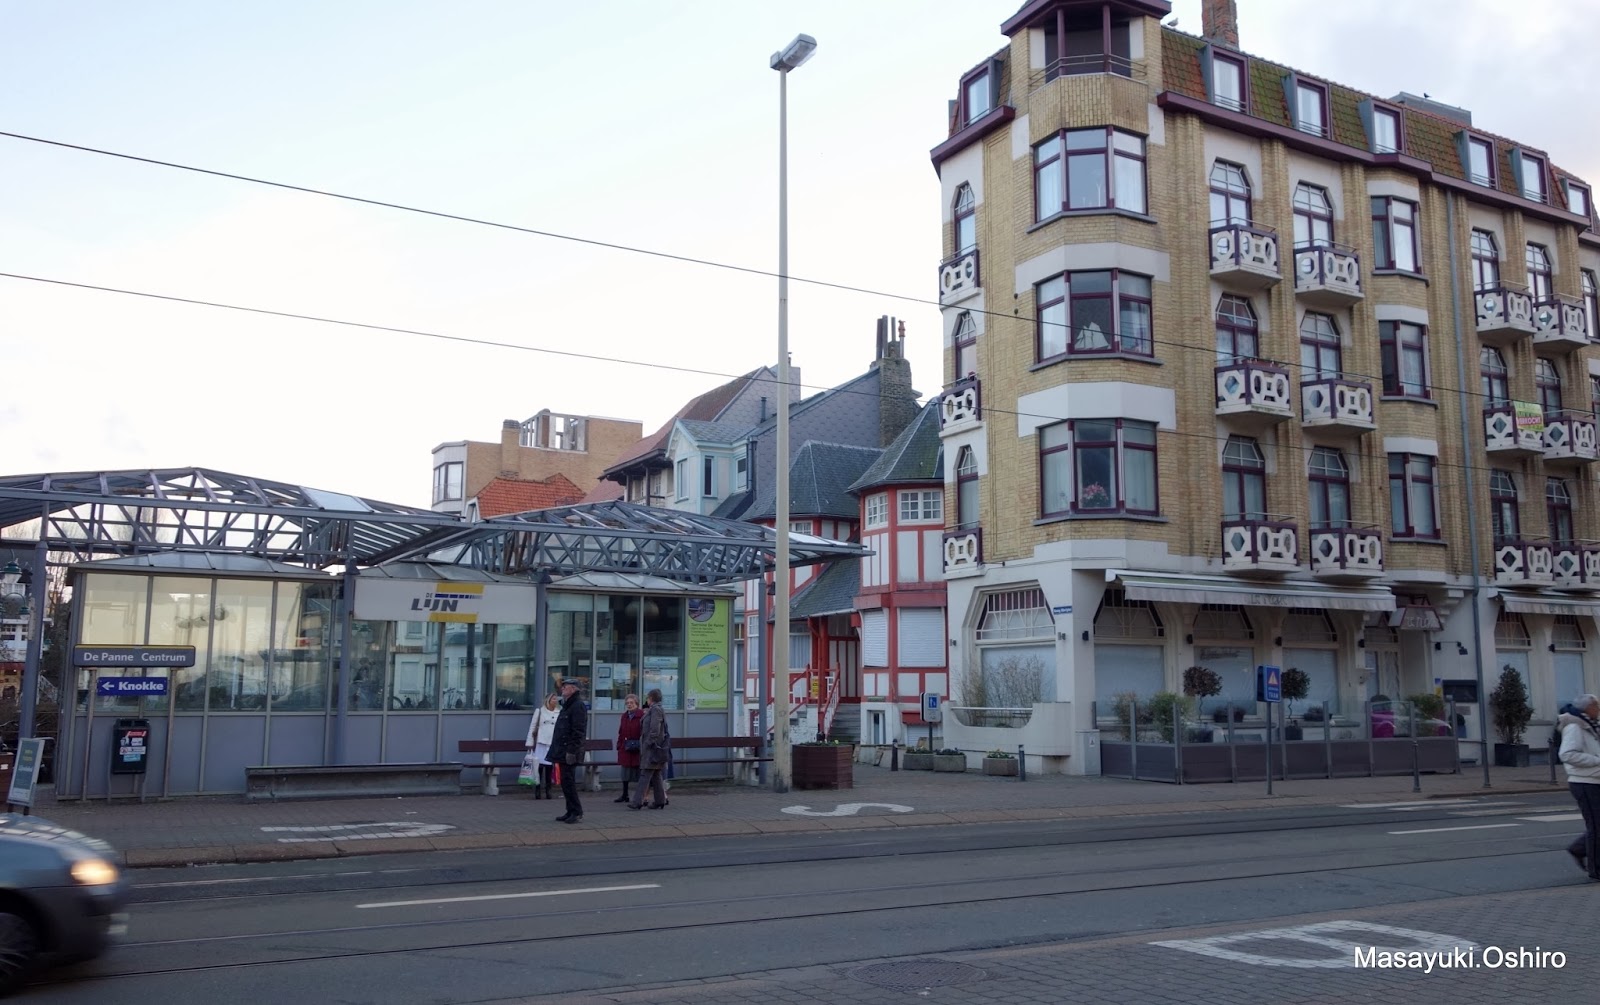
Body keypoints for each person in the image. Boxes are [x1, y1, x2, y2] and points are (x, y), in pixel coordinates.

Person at [1557, 693, 1600, 880]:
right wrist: (1597, 760)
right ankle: (1596, 869)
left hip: (1594, 780)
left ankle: (1579, 848)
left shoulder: (1590, 724)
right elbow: (1567, 754)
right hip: (1585, 782)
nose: (1598, 709)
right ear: (1587, 708)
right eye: (1596, 706)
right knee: (1596, 827)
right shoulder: (1575, 726)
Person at [549, 678, 589, 824]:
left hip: (570, 751)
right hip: (563, 750)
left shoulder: (577, 706)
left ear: (574, 689)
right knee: (565, 782)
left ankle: (577, 812)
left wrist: (571, 751)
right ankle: (570, 810)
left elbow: (578, 731)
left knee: (569, 781)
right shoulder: (567, 705)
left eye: (566, 687)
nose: (563, 689)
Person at [630, 688, 670, 810]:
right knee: (656, 774)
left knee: (645, 774)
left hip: (652, 748)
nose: (646, 700)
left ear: (651, 698)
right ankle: (660, 801)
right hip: (654, 747)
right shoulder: (655, 709)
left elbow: (654, 729)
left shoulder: (656, 709)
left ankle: (637, 802)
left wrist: (648, 743)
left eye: (647, 698)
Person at [524, 692, 561, 800]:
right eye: (553, 699)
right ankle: (537, 789)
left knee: (549, 767)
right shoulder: (539, 711)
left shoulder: (559, 712)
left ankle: (548, 790)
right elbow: (533, 726)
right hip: (541, 742)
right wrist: (530, 743)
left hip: (551, 742)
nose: (555, 701)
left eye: (556, 699)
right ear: (548, 700)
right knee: (538, 767)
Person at [615, 693, 644, 804]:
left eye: (631, 703)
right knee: (625, 771)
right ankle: (625, 794)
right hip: (626, 747)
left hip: (638, 747)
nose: (629, 705)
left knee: (639, 772)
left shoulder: (642, 715)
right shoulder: (624, 716)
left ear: (637, 703)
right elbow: (621, 732)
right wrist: (619, 745)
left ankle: (640, 796)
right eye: (627, 703)